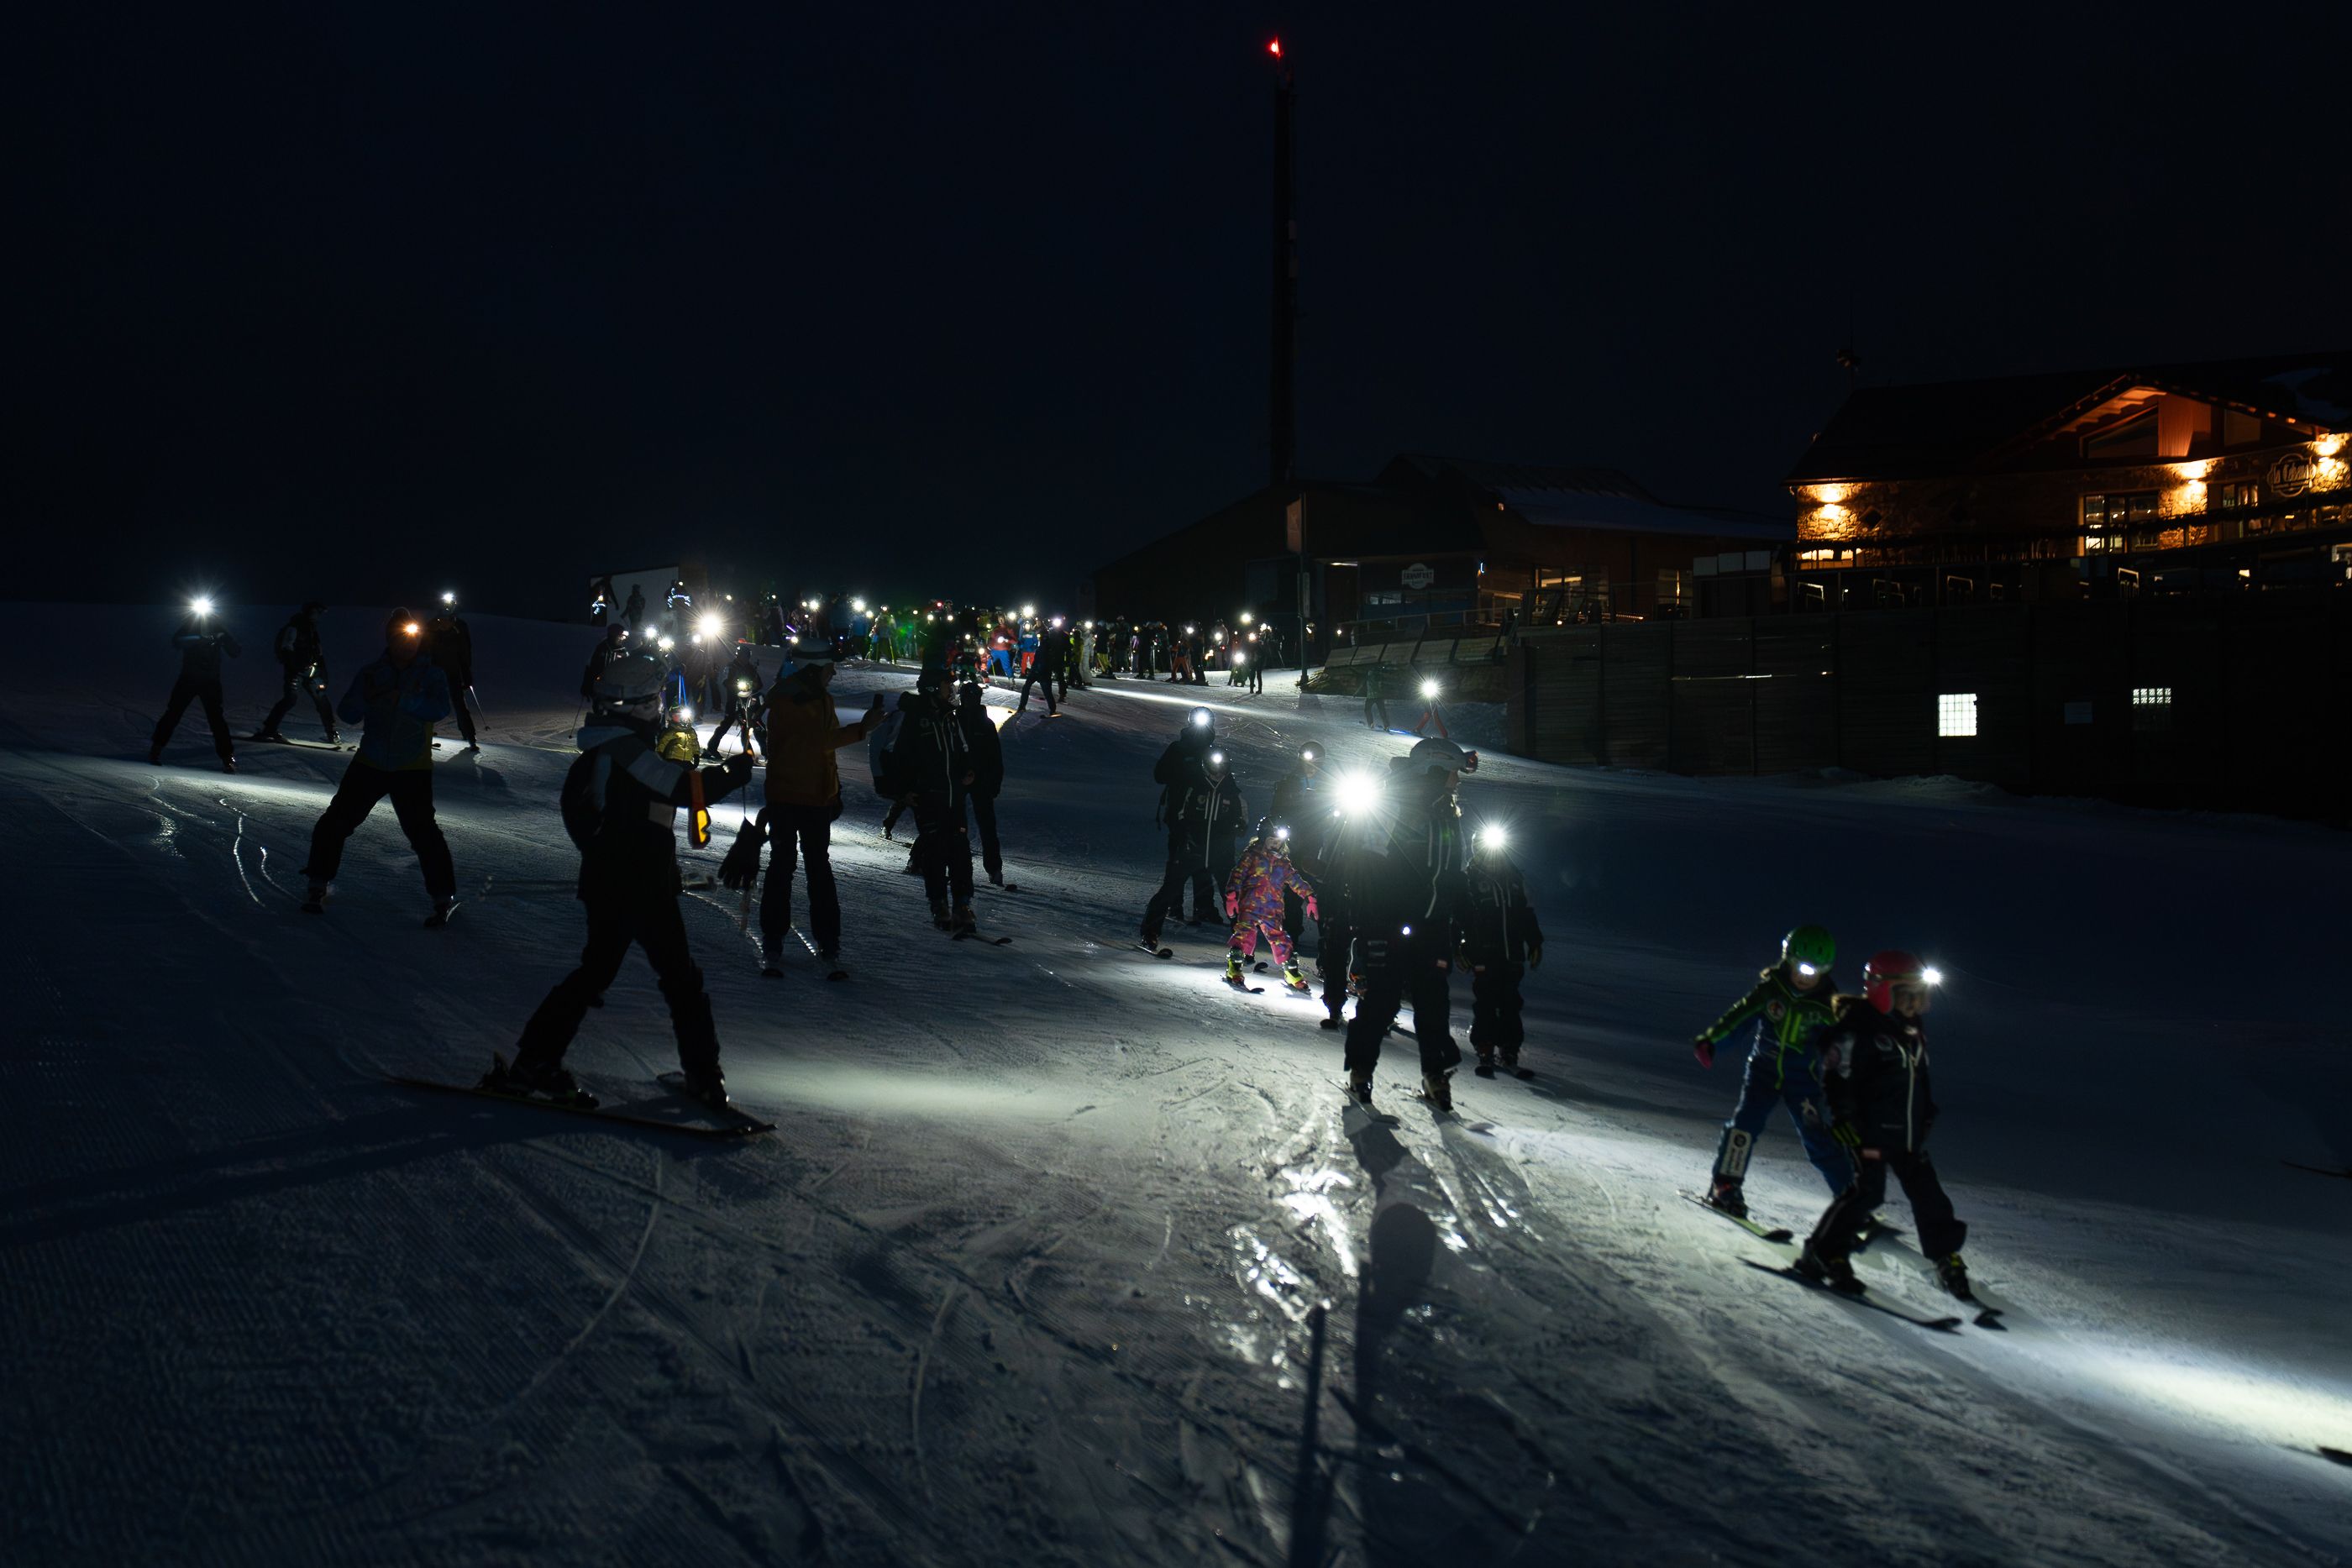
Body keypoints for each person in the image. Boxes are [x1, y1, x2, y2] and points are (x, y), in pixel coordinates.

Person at [486, 648, 757, 1109]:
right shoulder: (621, 750)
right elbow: (677, 787)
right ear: (634, 706)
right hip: (638, 886)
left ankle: (535, 1063)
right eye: (654, 702)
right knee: (673, 979)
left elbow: (663, 786)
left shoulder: (610, 752)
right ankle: (703, 1077)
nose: (660, 711)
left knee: (603, 973)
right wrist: (731, 775)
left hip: (620, 882)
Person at [1795, 952, 1971, 1300]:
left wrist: (1926, 1115)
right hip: (1869, 1131)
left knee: (1929, 1194)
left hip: (1907, 1136)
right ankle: (1822, 1252)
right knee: (1867, 1193)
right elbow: (1836, 1077)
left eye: (1923, 998)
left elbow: (1919, 1081)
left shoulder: (1911, 1032)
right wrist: (1842, 1118)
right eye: (1911, 996)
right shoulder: (1858, 1029)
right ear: (1884, 992)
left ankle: (1945, 1256)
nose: (1919, 1005)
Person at [1336, 736, 1475, 1109]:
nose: (1457, 781)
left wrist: (1460, 925)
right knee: (1381, 1002)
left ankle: (1435, 1077)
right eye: (1452, 773)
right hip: (1389, 924)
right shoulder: (1393, 806)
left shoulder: (1447, 813)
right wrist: (1368, 925)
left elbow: (1451, 876)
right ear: (1433, 770)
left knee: (1434, 1006)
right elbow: (1364, 867)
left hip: (1431, 928)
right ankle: (1361, 1073)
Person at [299, 611, 458, 920]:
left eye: (412, 638)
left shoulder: (431, 674)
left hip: (411, 767)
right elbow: (348, 712)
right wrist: (366, 699)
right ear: (390, 640)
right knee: (336, 822)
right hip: (370, 761)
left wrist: (404, 700)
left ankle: (442, 894)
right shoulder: (372, 672)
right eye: (401, 638)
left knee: (423, 832)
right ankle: (318, 880)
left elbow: (439, 708)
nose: (407, 645)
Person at [740, 640, 885, 972]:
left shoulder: (816, 697)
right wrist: (863, 728)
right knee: (787, 867)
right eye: (829, 669)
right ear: (814, 668)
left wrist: (832, 791)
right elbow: (818, 743)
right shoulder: (791, 700)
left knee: (812, 869)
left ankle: (826, 941)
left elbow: (824, 751)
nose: (833, 674)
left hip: (813, 797)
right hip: (791, 797)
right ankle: (777, 939)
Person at [1692, 925, 1852, 1217]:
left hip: (1802, 1081)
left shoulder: (1827, 1005)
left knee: (1818, 1136)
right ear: (1788, 960)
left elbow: (1839, 1046)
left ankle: (1851, 1196)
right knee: (1744, 1126)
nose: (1805, 977)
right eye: (1800, 968)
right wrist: (1713, 1041)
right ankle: (1726, 1186)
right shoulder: (1771, 991)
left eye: (1813, 971)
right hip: (1763, 1072)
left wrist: (1848, 1077)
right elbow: (1740, 1016)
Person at [895, 670, 979, 931]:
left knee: (960, 851)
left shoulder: (950, 719)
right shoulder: (915, 719)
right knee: (935, 851)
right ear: (932, 689)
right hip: (928, 797)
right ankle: (939, 903)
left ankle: (962, 904)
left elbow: (963, 750)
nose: (951, 691)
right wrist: (903, 790)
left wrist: (968, 770)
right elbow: (897, 756)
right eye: (946, 686)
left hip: (954, 797)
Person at [1458, 826, 1544, 1077]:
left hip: (1512, 952)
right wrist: (1462, 947)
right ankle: (1485, 1047)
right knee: (1486, 1001)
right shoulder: (1472, 879)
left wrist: (1535, 942)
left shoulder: (1514, 878)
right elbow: (1463, 917)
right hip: (1484, 952)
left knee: (1510, 1003)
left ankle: (1509, 1050)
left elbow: (1525, 913)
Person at [1138, 708, 1219, 946]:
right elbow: (1160, 774)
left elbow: (1224, 781)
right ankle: (1175, 905)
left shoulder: (1212, 752)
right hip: (1180, 814)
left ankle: (1204, 906)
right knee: (1179, 858)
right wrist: (1184, 773)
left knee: (1204, 858)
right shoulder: (1179, 748)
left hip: (1205, 815)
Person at [1222, 826, 1317, 991]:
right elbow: (1238, 874)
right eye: (1271, 841)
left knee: (1280, 938)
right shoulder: (1252, 856)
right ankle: (1235, 967)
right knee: (1244, 934)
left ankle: (1291, 971)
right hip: (1251, 905)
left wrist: (1310, 897)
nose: (1275, 845)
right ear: (1263, 839)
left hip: (1273, 909)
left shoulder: (1283, 863)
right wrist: (1232, 896)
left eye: (1278, 842)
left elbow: (1296, 880)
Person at [150, 602, 243, 771]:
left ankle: (227, 758)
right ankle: (156, 750)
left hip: (210, 681)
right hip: (189, 679)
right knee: (173, 714)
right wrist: (199, 640)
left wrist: (222, 638)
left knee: (217, 720)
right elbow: (177, 641)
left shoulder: (219, 628)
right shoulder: (190, 625)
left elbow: (235, 651)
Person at [253, 600, 339, 745]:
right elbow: (286, 649)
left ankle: (331, 732)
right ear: (311, 612)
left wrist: (323, 674)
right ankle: (269, 729)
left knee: (322, 701)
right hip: (296, 672)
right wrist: (296, 668)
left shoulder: (312, 630)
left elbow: (319, 654)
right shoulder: (295, 627)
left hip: (312, 673)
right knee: (290, 699)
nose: (319, 616)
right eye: (318, 613)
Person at [957, 681, 1008, 886]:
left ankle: (994, 868)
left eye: (971, 697)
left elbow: (995, 757)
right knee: (953, 822)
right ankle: (955, 864)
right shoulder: (955, 720)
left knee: (986, 825)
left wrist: (994, 782)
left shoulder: (985, 725)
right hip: (959, 778)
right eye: (966, 697)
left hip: (980, 780)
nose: (968, 701)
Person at [1200, 749, 1248, 915]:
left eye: (1223, 768)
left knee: (1227, 880)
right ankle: (1204, 909)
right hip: (1201, 842)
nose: (1219, 772)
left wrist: (1239, 826)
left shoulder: (1232, 792)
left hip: (1223, 846)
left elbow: (1242, 816)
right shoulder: (1200, 787)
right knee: (1201, 875)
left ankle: (1237, 917)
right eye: (1215, 768)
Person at [428, 599, 478, 751]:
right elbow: (424, 649)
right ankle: (425, 734)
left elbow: (465, 652)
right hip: (435, 672)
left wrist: (466, 674)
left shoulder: (460, 626)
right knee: (429, 703)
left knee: (459, 704)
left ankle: (469, 735)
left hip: (453, 672)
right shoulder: (431, 626)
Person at [705, 642, 767, 760]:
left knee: (757, 725)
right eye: (740, 656)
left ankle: (766, 751)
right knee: (729, 723)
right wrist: (737, 686)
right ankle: (712, 747)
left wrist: (753, 685)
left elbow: (759, 684)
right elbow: (725, 681)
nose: (742, 659)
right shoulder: (731, 667)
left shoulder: (751, 668)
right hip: (734, 701)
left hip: (749, 702)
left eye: (745, 656)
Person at [1016, 619, 1064, 714]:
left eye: (1040, 636)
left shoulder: (1047, 647)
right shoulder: (1041, 646)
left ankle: (1052, 709)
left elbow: (1047, 660)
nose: (1039, 638)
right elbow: (1037, 659)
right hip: (1037, 670)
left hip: (1043, 671)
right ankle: (1022, 706)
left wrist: (1042, 670)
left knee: (1046, 690)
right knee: (1028, 687)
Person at [581, 624, 629, 700]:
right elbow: (590, 667)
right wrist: (587, 685)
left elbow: (628, 669)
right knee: (601, 703)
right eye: (620, 636)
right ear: (613, 635)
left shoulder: (623, 651)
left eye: (623, 637)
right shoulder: (601, 648)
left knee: (618, 705)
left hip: (616, 688)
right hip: (601, 686)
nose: (622, 639)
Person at [1362, 662, 1390, 730]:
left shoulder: (1369, 676)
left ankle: (1371, 723)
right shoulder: (1378, 675)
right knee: (1382, 711)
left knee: (1367, 709)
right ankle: (1386, 725)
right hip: (1379, 696)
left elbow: (1362, 684)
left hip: (1371, 696)